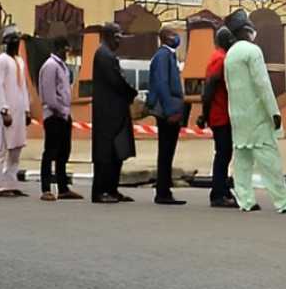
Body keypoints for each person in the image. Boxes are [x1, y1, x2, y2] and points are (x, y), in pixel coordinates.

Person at [223, 10, 286, 214]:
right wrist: (274, 112)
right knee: (269, 157)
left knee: (242, 158)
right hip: (256, 114)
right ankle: (284, 201)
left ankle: (245, 200)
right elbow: (262, 84)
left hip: (237, 114)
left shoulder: (230, 55)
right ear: (246, 29)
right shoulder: (252, 51)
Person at [91, 23, 138, 204]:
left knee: (116, 153)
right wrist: (131, 93)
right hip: (107, 114)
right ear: (108, 36)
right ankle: (100, 191)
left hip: (116, 112)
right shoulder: (104, 55)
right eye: (116, 37)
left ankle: (112, 189)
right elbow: (116, 82)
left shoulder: (109, 55)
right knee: (105, 155)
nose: (119, 41)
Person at [196, 26, 238, 208]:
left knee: (225, 153)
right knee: (223, 154)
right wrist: (204, 115)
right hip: (219, 115)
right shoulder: (220, 59)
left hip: (222, 114)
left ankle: (223, 190)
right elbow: (210, 87)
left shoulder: (221, 57)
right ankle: (218, 194)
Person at [147, 25, 188, 205]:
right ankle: (162, 192)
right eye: (173, 34)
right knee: (165, 151)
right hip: (166, 111)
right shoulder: (163, 56)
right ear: (165, 37)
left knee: (168, 151)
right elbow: (162, 84)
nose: (176, 37)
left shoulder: (167, 55)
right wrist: (171, 111)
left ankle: (164, 189)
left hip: (169, 108)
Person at [36, 36, 81, 201]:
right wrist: (60, 111)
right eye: (66, 49)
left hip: (64, 114)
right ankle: (46, 188)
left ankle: (63, 188)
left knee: (63, 152)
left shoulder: (62, 66)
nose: (67, 53)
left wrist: (66, 113)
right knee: (50, 151)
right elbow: (49, 95)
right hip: (54, 115)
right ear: (59, 48)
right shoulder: (50, 66)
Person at [0, 26, 31, 197]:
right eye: (12, 40)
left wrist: (27, 110)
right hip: (6, 111)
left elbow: (24, 88)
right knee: (2, 147)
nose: (15, 43)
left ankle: (11, 184)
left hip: (19, 110)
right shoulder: (0, 61)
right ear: (6, 43)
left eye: (17, 40)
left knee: (16, 148)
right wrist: (3, 109)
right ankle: (1, 186)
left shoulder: (20, 61)